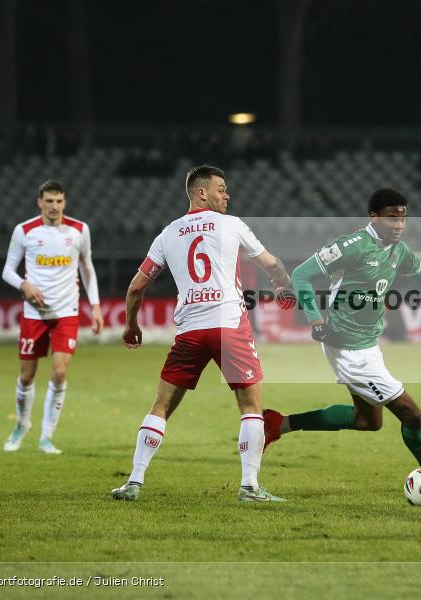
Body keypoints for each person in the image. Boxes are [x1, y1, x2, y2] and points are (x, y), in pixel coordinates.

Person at [263, 188, 421, 499]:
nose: (399, 225)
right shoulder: (352, 246)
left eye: (403, 218)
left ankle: (278, 424)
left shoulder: (399, 252)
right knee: (412, 415)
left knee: (367, 421)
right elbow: (302, 274)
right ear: (374, 217)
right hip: (347, 348)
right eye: (392, 218)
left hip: (368, 344)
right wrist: (315, 319)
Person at [111, 165, 292, 503]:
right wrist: (282, 282)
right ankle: (250, 488)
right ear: (201, 193)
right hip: (229, 327)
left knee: (161, 405)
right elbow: (271, 263)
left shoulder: (168, 233)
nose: (227, 195)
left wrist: (131, 325)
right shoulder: (232, 224)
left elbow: (136, 287)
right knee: (251, 405)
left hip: (190, 330)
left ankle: (134, 482)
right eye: (221, 189)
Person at [1, 180, 104, 454]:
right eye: (49, 201)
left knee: (59, 372)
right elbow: (8, 271)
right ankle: (22, 424)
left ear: (64, 203)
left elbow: (87, 267)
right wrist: (24, 285)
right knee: (26, 377)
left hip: (66, 312)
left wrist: (94, 306)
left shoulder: (79, 230)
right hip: (33, 313)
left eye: (59, 201)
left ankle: (47, 435)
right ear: (40, 202)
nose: (54, 206)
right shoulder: (24, 231)